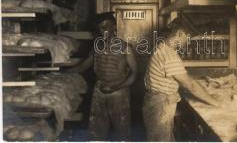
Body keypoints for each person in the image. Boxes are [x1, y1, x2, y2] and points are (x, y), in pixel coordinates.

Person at [143, 18, 219, 141]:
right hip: (160, 105)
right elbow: (190, 86)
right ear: (179, 34)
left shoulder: (162, 47)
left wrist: (202, 80)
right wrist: (215, 102)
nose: (188, 42)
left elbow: (180, 76)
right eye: (188, 38)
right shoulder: (170, 56)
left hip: (155, 100)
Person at [67, 13, 137, 141]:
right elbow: (83, 66)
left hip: (119, 93)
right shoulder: (97, 46)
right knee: (96, 132)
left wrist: (116, 87)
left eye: (105, 26)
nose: (102, 31)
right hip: (99, 92)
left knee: (122, 132)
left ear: (114, 27)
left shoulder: (125, 47)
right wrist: (63, 73)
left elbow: (134, 74)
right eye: (99, 28)